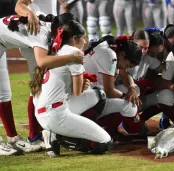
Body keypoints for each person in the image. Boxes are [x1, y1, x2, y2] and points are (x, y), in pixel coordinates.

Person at [0, 13, 84, 153]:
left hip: (10, 42)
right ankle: (14, 138)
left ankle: (30, 137)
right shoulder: (41, 32)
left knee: (37, 85)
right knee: (3, 94)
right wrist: (72, 57)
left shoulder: (48, 26)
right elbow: (42, 61)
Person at [32, 20, 112, 157]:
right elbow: (77, 92)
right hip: (56, 114)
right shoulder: (75, 53)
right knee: (105, 143)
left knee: (97, 95)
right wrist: (83, 83)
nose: (85, 42)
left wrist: (83, 82)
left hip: (43, 111)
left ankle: (54, 131)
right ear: (75, 38)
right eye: (83, 37)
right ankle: (58, 137)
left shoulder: (56, 48)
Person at [15, 0, 58, 146]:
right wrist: (29, 13)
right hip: (35, 35)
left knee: (45, 81)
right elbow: (19, 5)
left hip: (43, 32)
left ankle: (40, 131)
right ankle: (34, 135)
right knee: (39, 83)